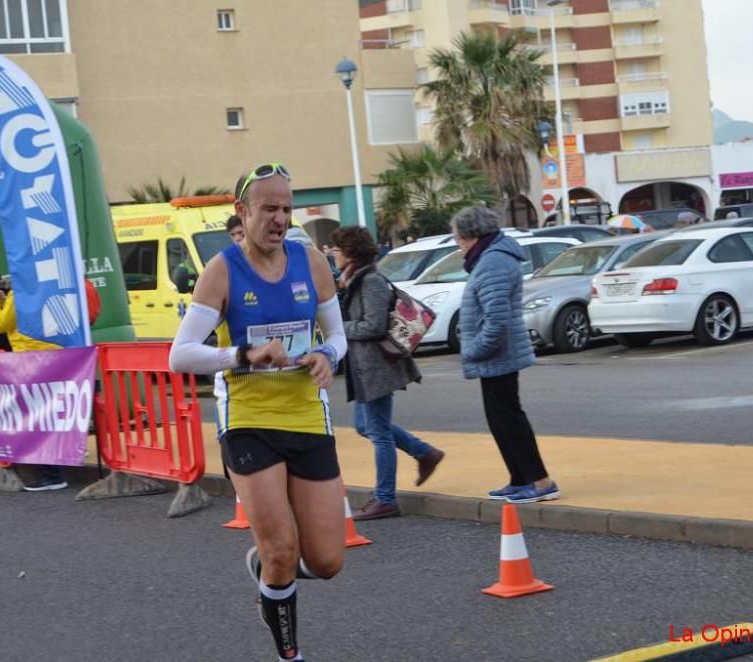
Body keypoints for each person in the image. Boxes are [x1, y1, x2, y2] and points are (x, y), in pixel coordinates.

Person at [169, 163, 347, 662]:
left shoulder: (310, 262)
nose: (280, 219)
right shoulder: (223, 270)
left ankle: (271, 574)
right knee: (281, 549)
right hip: (248, 420)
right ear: (241, 212)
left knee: (328, 560)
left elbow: (337, 336)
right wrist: (242, 355)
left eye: (287, 209)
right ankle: (289, 653)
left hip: (307, 415)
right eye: (269, 208)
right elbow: (180, 354)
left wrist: (327, 356)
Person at [331, 226, 444, 521]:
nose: (333, 255)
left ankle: (385, 499)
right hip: (365, 367)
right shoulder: (353, 279)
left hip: (378, 367)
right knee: (365, 425)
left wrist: (337, 330)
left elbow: (374, 326)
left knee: (378, 432)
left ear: (351, 254)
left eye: (337, 250)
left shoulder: (370, 281)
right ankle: (424, 452)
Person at [451, 206, 559, 504]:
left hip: (497, 354)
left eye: (459, 238)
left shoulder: (493, 261)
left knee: (509, 418)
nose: (458, 243)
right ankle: (520, 478)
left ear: (474, 235)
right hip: (495, 355)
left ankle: (540, 482)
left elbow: (496, 319)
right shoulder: (491, 257)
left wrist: (475, 349)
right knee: (500, 418)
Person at [0, 277, 68, 491]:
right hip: (55, 356)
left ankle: (52, 475)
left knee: (38, 419)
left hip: (32, 360)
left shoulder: (19, 292)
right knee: (50, 416)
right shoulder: (47, 286)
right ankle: (54, 471)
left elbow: (2, 324)